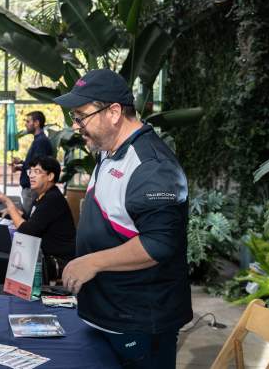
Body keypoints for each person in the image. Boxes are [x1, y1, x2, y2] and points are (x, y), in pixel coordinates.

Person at [53, 69, 192, 368]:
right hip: (109, 313)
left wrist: (93, 262)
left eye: (81, 116)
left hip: (139, 322)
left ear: (114, 112)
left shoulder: (152, 167)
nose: (77, 126)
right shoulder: (108, 149)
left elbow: (159, 244)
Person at [0, 156, 76, 283]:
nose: (31, 176)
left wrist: (10, 206)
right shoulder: (42, 196)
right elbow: (32, 221)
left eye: (37, 172)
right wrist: (16, 212)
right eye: (30, 171)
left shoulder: (52, 199)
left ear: (50, 176)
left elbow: (26, 231)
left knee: (0, 263)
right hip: (42, 255)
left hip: (56, 262)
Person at [12, 111, 53, 215]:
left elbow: (38, 167)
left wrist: (22, 164)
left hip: (32, 189)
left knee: (28, 223)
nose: (26, 124)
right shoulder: (38, 140)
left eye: (28, 121)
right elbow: (34, 164)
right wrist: (20, 165)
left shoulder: (41, 141)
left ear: (36, 123)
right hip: (30, 188)